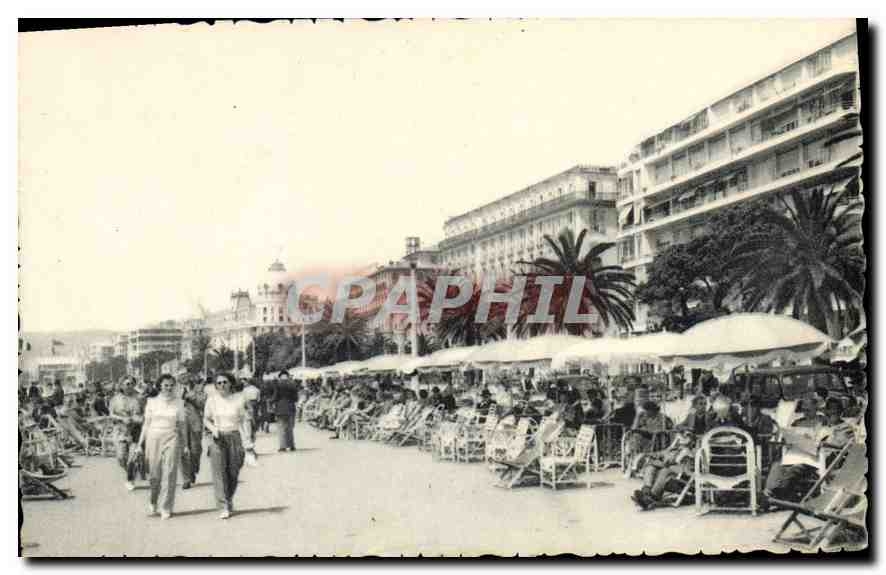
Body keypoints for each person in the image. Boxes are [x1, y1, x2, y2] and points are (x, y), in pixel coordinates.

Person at [133, 374, 186, 519]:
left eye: (171, 385)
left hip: (172, 437)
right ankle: (153, 499)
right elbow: (146, 425)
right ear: (160, 387)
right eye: (165, 385)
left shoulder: (179, 403)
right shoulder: (151, 402)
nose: (169, 388)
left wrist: (185, 444)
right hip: (153, 438)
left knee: (170, 472)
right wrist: (139, 444)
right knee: (155, 474)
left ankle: (166, 507)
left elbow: (182, 425)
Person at [203, 372, 253, 519]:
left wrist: (248, 441)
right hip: (217, 437)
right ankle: (223, 505)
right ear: (215, 386)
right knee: (219, 472)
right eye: (218, 383)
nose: (222, 385)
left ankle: (228, 498)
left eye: (225, 382)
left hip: (234, 436)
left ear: (231, 383)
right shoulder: (211, 400)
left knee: (233, 472)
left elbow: (245, 420)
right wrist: (213, 429)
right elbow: (206, 419)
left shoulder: (238, 398)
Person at [109, 377, 145, 491]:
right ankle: (131, 471)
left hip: (135, 431)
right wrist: (122, 418)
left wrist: (137, 419)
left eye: (132, 384)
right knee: (121, 457)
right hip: (120, 431)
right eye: (127, 384)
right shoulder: (115, 399)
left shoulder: (139, 398)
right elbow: (111, 414)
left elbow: (144, 414)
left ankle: (130, 478)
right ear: (121, 385)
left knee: (132, 457)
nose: (129, 386)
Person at [180, 383, 205, 490]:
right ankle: (186, 478)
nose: (183, 378)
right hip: (180, 422)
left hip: (195, 423)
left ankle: (193, 469)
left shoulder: (198, 390)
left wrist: (191, 396)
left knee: (195, 450)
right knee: (182, 451)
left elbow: (203, 404)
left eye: (185, 375)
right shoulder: (172, 388)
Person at [274, 371, 297, 452]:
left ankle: (282, 446)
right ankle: (291, 445)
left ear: (280, 377)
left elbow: (275, 397)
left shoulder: (277, 384)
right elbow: (296, 398)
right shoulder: (293, 384)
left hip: (280, 408)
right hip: (290, 408)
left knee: (281, 428)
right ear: (288, 376)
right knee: (290, 428)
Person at [241, 378, 261, 445]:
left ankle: (251, 436)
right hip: (255, 403)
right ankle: (254, 429)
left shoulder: (245, 390)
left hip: (247, 404)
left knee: (249, 421)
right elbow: (258, 398)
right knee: (254, 417)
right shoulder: (256, 389)